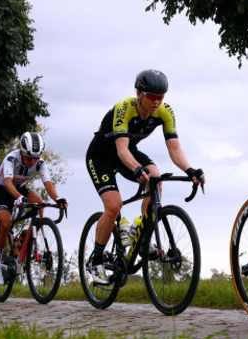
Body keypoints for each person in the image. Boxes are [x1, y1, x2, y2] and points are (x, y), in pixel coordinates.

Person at [84, 70, 203, 274]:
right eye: (152, 97)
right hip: (101, 156)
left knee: (155, 176)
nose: (157, 102)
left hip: (128, 152)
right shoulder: (124, 108)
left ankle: (142, 232)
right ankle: (95, 259)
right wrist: (137, 168)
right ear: (139, 93)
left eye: (161, 97)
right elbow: (121, 149)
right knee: (114, 206)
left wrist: (190, 170)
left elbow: (174, 147)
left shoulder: (165, 112)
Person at [0, 132, 67, 285]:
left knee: (39, 202)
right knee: (6, 223)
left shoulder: (40, 163)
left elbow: (48, 183)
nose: (32, 161)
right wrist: (18, 198)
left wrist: (57, 199)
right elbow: (7, 182)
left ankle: (26, 233)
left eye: (36, 158)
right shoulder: (12, 158)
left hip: (20, 188)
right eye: (29, 158)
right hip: (2, 189)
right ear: (22, 152)